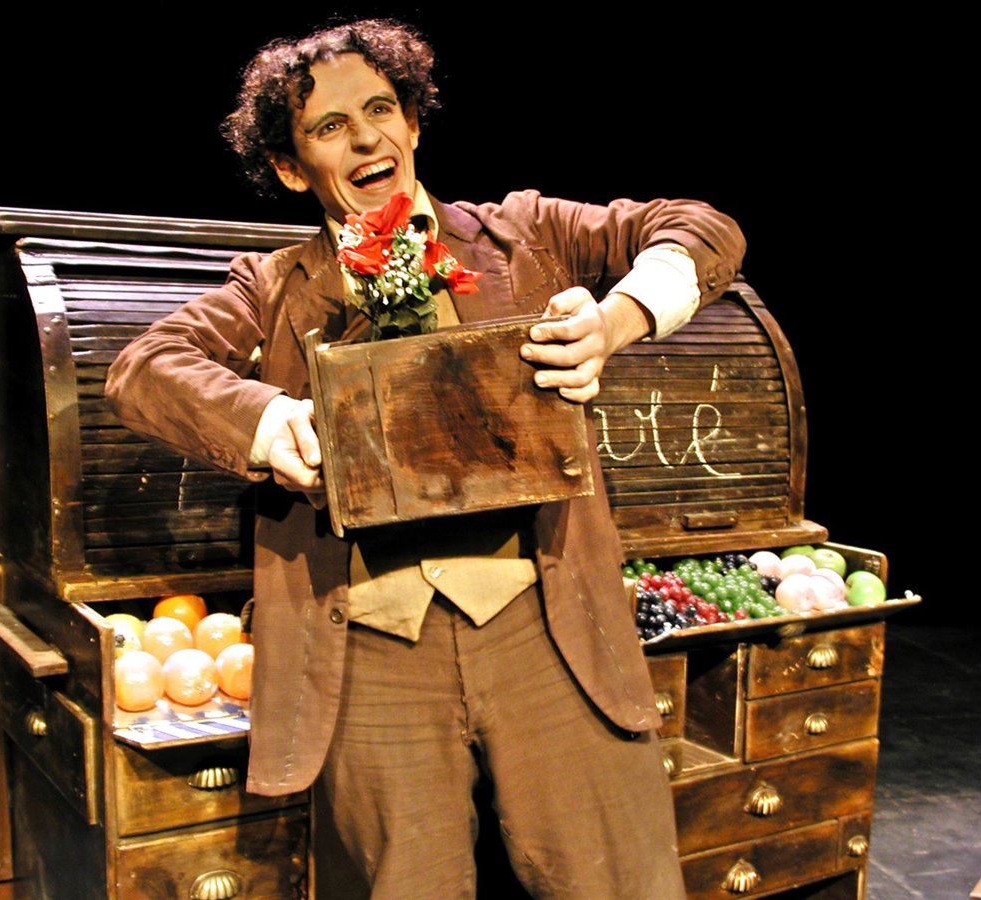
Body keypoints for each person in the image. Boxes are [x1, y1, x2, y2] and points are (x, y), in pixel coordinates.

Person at [106, 19, 745, 898]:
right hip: (372, 652)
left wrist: (616, 320)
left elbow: (700, 228)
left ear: (411, 122)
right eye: (330, 127)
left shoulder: (522, 234)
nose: (366, 138)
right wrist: (267, 421)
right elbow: (143, 369)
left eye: (380, 110)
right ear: (291, 167)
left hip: (547, 631)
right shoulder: (275, 286)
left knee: (618, 881)